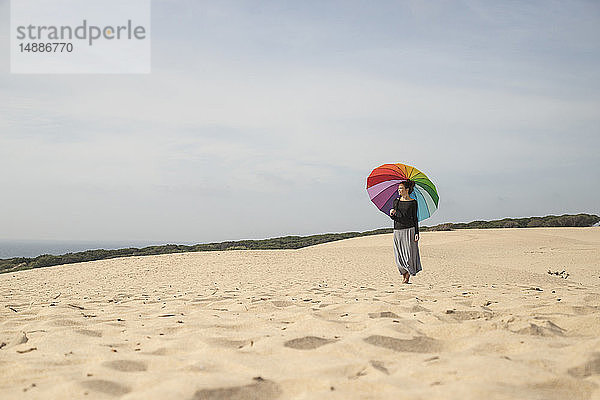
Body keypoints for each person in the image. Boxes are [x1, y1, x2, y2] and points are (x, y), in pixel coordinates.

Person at [389, 180, 422, 283]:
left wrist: (417, 232)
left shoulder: (413, 202)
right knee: (399, 255)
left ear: (407, 190)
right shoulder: (396, 201)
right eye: (398, 189)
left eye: (401, 189)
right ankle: (404, 273)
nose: (399, 190)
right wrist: (392, 214)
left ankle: (407, 275)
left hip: (409, 230)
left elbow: (415, 218)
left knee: (408, 254)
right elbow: (395, 218)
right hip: (398, 230)